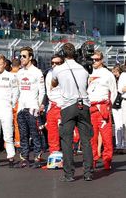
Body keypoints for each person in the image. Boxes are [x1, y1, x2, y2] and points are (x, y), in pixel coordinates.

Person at [51, 43, 93, 182]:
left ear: (62, 53)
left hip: (68, 107)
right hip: (84, 104)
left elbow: (53, 83)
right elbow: (85, 84)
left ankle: (69, 174)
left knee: (67, 141)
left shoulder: (58, 69)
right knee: (86, 141)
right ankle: (88, 173)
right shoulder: (83, 68)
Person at [15, 46, 45, 168]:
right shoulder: (19, 72)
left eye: (24, 56)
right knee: (23, 134)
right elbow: (17, 90)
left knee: (35, 133)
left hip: (32, 107)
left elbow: (42, 92)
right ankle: (24, 157)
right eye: (20, 56)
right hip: (21, 107)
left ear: (30, 57)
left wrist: (38, 107)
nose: (21, 58)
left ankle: (37, 157)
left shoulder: (37, 72)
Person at [87, 50, 117, 170]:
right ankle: (93, 160)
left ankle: (107, 160)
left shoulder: (107, 74)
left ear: (102, 60)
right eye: (93, 59)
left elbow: (114, 92)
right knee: (91, 137)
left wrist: (109, 107)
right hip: (91, 108)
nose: (94, 61)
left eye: (97, 59)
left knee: (107, 137)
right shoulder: (88, 73)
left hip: (103, 108)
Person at [44, 55, 64, 156]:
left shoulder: (66, 74)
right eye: (53, 63)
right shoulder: (49, 74)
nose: (54, 65)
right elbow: (48, 91)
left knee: (68, 133)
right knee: (52, 133)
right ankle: (54, 154)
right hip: (53, 105)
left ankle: (68, 154)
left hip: (64, 106)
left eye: (57, 63)